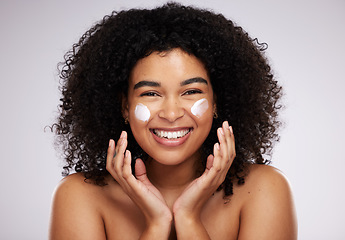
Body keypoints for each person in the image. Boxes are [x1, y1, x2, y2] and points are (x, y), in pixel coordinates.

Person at [49, 2, 297, 239]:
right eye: (150, 94)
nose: (171, 113)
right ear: (125, 106)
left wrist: (188, 218)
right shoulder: (80, 196)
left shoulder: (264, 190)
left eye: (191, 92)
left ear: (216, 103)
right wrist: (157, 224)